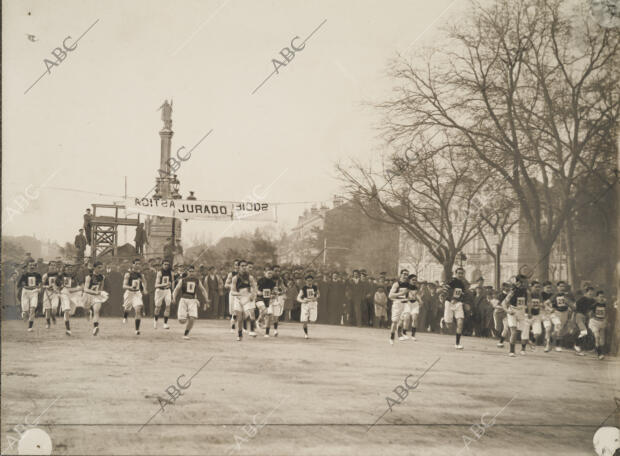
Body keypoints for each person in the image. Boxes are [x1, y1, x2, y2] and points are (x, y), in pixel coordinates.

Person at [173, 265, 208, 340]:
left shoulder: (197, 280)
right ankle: (186, 315)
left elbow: (203, 290)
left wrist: (206, 299)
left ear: (194, 272)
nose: (191, 273)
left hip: (192, 300)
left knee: (192, 318)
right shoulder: (182, 280)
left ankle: (186, 333)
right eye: (190, 271)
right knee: (182, 321)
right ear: (187, 272)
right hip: (183, 300)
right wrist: (173, 298)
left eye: (193, 271)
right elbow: (176, 290)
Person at [501, 275, 531, 357]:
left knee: (522, 331)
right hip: (512, 311)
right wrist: (508, 311)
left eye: (525, 282)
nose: (524, 284)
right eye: (522, 282)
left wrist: (529, 312)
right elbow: (503, 303)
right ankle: (511, 351)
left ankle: (523, 349)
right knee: (513, 332)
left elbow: (529, 302)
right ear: (517, 283)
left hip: (522, 311)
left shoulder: (527, 292)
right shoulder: (512, 292)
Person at [122, 259, 149, 335]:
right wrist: (131, 287)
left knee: (138, 310)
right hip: (129, 293)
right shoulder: (128, 274)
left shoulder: (141, 275)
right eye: (136, 264)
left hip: (137, 293)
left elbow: (144, 282)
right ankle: (125, 316)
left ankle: (137, 329)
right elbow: (124, 285)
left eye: (139, 264)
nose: (138, 265)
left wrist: (145, 289)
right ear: (132, 265)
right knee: (127, 309)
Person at [444, 267, 468, 350]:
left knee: (460, 322)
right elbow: (445, 290)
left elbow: (463, 295)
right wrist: (451, 298)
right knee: (449, 325)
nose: (461, 275)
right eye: (459, 273)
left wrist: (461, 301)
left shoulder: (463, 284)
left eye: (462, 273)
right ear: (456, 273)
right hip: (449, 303)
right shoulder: (451, 281)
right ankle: (444, 320)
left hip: (458, 304)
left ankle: (457, 343)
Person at [230, 260, 255, 341]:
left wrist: (252, 294)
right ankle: (240, 333)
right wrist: (239, 294)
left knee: (250, 313)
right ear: (239, 267)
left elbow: (254, 288)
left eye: (245, 266)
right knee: (240, 318)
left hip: (247, 298)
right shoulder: (235, 278)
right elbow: (233, 291)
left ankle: (252, 329)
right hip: (238, 299)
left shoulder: (250, 277)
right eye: (242, 266)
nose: (244, 267)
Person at [83, 262, 109, 336]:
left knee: (96, 310)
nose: (100, 269)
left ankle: (95, 327)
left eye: (101, 267)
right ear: (94, 268)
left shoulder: (102, 277)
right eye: (98, 267)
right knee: (86, 310)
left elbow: (101, 287)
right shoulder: (89, 277)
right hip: (88, 295)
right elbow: (85, 289)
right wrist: (94, 292)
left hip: (96, 296)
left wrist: (100, 292)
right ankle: (88, 312)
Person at [18, 260, 42, 332]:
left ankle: (30, 327)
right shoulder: (24, 275)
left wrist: (39, 288)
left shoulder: (38, 275)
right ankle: (24, 312)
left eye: (33, 265)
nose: (32, 266)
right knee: (26, 311)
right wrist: (23, 284)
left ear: (35, 266)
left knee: (32, 309)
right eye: (30, 265)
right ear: (28, 266)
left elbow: (40, 284)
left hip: (34, 292)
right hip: (25, 292)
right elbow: (19, 285)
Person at [388, 269, 410, 344]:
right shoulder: (396, 284)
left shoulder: (408, 284)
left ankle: (400, 333)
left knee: (406, 317)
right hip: (397, 303)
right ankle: (392, 337)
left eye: (407, 274)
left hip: (405, 303)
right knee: (394, 321)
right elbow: (390, 295)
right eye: (404, 274)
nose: (405, 276)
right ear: (400, 274)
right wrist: (401, 294)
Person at [59, 264, 82, 336]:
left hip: (73, 294)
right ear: (65, 269)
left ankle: (64, 310)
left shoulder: (76, 276)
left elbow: (81, 285)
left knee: (71, 313)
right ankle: (68, 329)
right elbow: (56, 285)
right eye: (68, 269)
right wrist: (59, 288)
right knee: (67, 309)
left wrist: (79, 288)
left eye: (71, 269)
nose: (69, 270)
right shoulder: (61, 276)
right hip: (65, 293)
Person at [256, 265, 277, 337]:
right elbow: (255, 290)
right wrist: (260, 293)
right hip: (259, 299)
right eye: (268, 273)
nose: (270, 275)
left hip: (268, 300)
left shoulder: (273, 282)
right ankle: (258, 321)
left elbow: (274, 292)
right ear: (264, 272)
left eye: (271, 273)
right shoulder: (260, 280)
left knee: (270, 315)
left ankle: (267, 333)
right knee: (264, 311)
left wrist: (274, 294)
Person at [574, 286, 595, 355]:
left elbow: (594, 306)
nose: (591, 295)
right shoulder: (581, 299)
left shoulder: (592, 300)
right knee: (584, 332)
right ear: (586, 293)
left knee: (587, 333)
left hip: (586, 318)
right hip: (579, 316)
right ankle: (576, 345)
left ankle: (582, 348)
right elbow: (575, 309)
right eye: (589, 294)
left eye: (592, 294)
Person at [153, 260, 174, 329]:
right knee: (158, 307)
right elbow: (156, 285)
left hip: (167, 291)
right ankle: (155, 321)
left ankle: (165, 323)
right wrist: (165, 284)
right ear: (162, 265)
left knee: (168, 306)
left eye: (167, 264)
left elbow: (172, 282)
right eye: (165, 264)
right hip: (159, 291)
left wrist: (172, 291)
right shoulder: (160, 273)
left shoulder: (171, 272)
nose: (166, 266)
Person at [297, 274, 319, 339]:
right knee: (304, 320)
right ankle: (306, 334)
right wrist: (303, 301)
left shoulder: (315, 287)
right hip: (305, 304)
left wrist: (316, 297)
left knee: (313, 320)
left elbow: (318, 294)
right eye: (308, 281)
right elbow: (298, 298)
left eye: (311, 281)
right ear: (305, 281)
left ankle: (309, 320)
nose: (309, 282)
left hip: (313, 303)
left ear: (313, 281)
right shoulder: (303, 288)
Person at [589, 291, 608, 360]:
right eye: (600, 297)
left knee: (602, 341)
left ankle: (598, 350)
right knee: (597, 337)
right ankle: (599, 354)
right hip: (594, 322)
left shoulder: (605, 304)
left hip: (602, 322)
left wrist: (606, 320)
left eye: (602, 297)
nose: (601, 298)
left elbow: (606, 313)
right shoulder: (594, 305)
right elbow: (590, 313)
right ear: (597, 297)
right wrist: (592, 319)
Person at [41, 261, 61, 328]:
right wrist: (47, 286)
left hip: (55, 293)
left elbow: (61, 285)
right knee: (47, 309)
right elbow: (42, 286)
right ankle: (48, 323)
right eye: (51, 265)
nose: (53, 266)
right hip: (47, 293)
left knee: (54, 308)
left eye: (54, 265)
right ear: (48, 266)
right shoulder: (45, 275)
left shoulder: (59, 275)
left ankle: (53, 316)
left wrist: (57, 287)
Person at [225, 260, 240, 332]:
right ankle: (233, 326)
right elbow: (226, 285)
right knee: (234, 310)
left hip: (241, 293)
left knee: (240, 310)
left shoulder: (245, 274)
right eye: (236, 265)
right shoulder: (231, 274)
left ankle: (243, 327)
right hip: (233, 293)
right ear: (234, 266)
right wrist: (233, 286)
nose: (237, 266)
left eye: (238, 265)